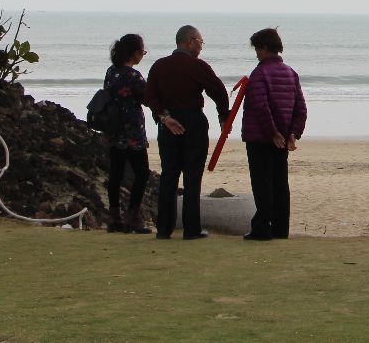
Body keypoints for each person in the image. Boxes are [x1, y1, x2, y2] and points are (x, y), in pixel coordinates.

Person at [145, 25, 230, 240]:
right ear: (190, 41)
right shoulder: (197, 66)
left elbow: (150, 96)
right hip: (193, 121)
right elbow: (219, 92)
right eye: (200, 42)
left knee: (169, 175)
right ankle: (191, 229)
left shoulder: (159, 66)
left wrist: (164, 117)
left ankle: (164, 229)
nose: (201, 47)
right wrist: (223, 117)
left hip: (168, 123)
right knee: (193, 176)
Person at [241, 27, 307, 241]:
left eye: (258, 49)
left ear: (265, 48)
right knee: (280, 184)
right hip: (283, 137)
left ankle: (261, 228)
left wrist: (273, 133)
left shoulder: (259, 73)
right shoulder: (290, 72)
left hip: (261, 138)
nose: (256, 54)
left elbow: (260, 106)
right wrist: (293, 134)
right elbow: (301, 107)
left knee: (262, 184)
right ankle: (280, 229)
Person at [104, 33, 152, 234]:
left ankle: (114, 218)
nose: (143, 55)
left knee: (115, 174)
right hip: (132, 130)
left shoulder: (111, 71)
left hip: (114, 129)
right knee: (141, 173)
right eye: (143, 51)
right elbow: (148, 98)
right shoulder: (133, 76)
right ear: (135, 53)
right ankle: (133, 217)